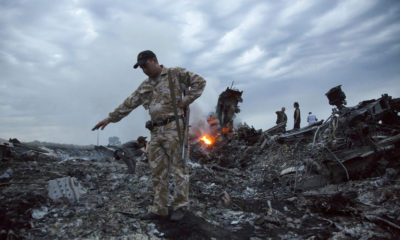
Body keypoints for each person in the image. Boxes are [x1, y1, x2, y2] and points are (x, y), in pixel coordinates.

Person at [92, 50, 206, 221]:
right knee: (158, 171)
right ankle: (159, 209)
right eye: (141, 67)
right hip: (156, 131)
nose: (144, 70)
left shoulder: (174, 74)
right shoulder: (145, 86)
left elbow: (200, 82)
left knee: (179, 169)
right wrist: (110, 118)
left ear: (155, 61)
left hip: (174, 128)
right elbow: (129, 103)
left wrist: (186, 100)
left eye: (145, 65)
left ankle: (181, 206)